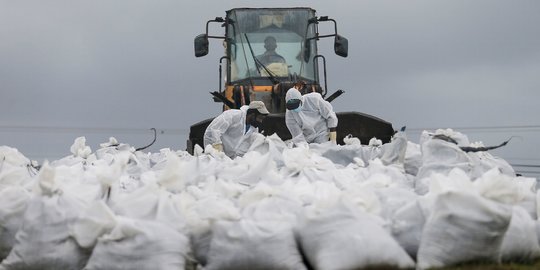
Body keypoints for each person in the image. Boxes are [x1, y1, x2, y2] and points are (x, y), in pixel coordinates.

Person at [204, 101, 270, 158]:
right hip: (215, 153)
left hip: (228, 159)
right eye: (260, 118)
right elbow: (215, 130)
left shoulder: (253, 129)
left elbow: (244, 146)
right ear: (252, 115)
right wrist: (217, 148)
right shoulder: (233, 115)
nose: (261, 121)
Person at [285, 81, 338, 145]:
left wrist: (333, 138)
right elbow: (297, 135)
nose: (294, 108)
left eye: (296, 105)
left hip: (321, 133)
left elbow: (330, 116)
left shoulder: (314, 99)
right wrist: (303, 147)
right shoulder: (289, 115)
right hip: (307, 137)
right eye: (292, 107)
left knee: (321, 151)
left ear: (301, 99)